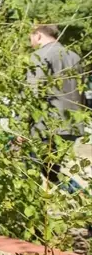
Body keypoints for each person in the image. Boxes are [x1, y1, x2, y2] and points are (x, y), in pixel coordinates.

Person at [27, 24, 86, 188]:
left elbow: (33, 94)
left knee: (31, 168)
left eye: (30, 37)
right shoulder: (74, 57)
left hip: (47, 126)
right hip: (72, 125)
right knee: (53, 171)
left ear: (38, 35)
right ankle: (79, 196)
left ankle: (80, 197)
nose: (30, 41)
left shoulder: (39, 56)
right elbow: (81, 93)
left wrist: (22, 123)